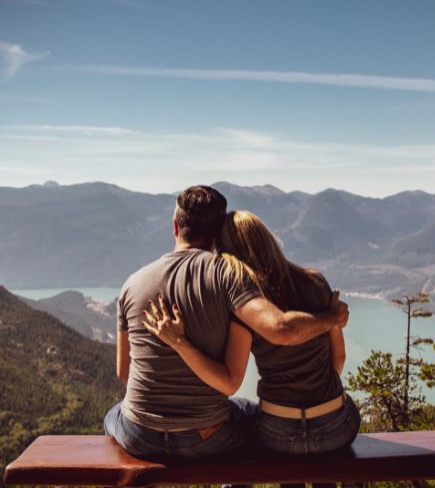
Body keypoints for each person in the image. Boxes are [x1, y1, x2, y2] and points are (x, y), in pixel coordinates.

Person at [105, 187, 349, 461]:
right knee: (246, 413)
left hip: (140, 435)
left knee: (113, 415)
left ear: (175, 227)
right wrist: (332, 318)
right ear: (216, 234)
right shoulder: (229, 276)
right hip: (207, 436)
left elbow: (124, 373)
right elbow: (272, 338)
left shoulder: (131, 284)